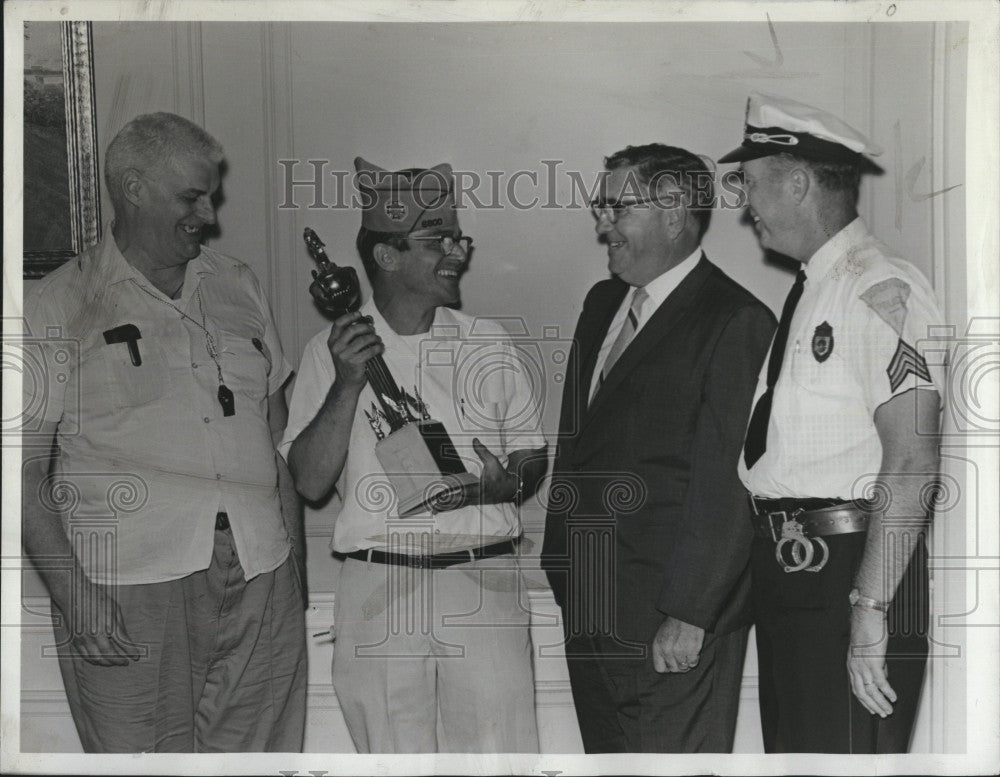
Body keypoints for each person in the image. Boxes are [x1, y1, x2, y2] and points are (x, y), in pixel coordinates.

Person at [21, 112, 306, 752]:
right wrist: (75, 596)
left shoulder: (239, 285)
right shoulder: (55, 304)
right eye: (191, 197)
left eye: (211, 194)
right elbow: (23, 471)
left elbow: (277, 441)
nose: (209, 214)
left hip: (262, 573)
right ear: (133, 187)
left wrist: (294, 579)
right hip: (128, 585)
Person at [280, 157, 548, 753]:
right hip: (379, 585)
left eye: (457, 236)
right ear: (387, 255)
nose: (457, 251)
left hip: (482, 581)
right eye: (438, 239)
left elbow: (531, 456)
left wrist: (502, 486)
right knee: (390, 760)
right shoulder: (328, 353)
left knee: (498, 760)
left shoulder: (488, 341)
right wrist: (347, 384)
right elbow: (309, 481)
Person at [718, 91, 945, 753]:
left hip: (848, 569)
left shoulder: (879, 288)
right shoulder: (813, 289)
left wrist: (871, 608)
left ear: (797, 182)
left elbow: (913, 461)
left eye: (751, 184)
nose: (745, 204)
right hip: (793, 569)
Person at [540, 144, 776, 752]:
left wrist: (691, 613)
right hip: (591, 609)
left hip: (672, 623)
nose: (602, 224)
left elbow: (728, 482)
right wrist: (564, 569)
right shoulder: (600, 306)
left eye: (616, 207)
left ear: (674, 212)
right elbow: (577, 445)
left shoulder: (736, 320)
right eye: (601, 206)